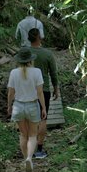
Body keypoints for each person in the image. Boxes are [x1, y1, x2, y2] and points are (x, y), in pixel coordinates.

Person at [7, 47, 47, 172]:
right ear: (31, 60)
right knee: (32, 135)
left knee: (23, 134)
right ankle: (30, 158)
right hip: (32, 105)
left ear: (19, 60)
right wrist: (44, 107)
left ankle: (25, 158)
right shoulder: (37, 72)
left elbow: (10, 92)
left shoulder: (13, 72)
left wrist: (9, 106)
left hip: (18, 106)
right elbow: (40, 92)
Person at [28, 28, 59, 159]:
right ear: (39, 38)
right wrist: (56, 88)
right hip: (43, 90)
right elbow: (53, 73)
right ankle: (39, 150)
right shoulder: (47, 54)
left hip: (27, 90)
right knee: (42, 119)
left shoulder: (25, 53)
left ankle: (29, 149)